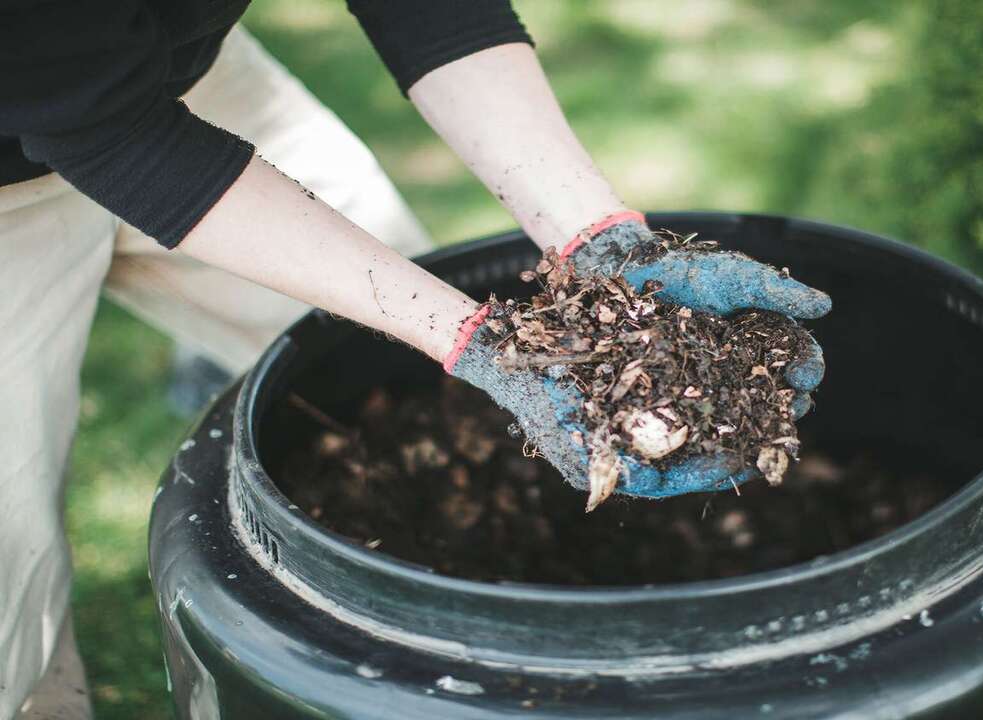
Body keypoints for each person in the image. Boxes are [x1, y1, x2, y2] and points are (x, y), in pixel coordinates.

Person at [0, 2, 829, 717]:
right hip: (48, 140)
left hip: (169, 81)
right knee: (12, 600)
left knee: (402, 395)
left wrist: (596, 239)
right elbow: (110, 131)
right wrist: (479, 341)